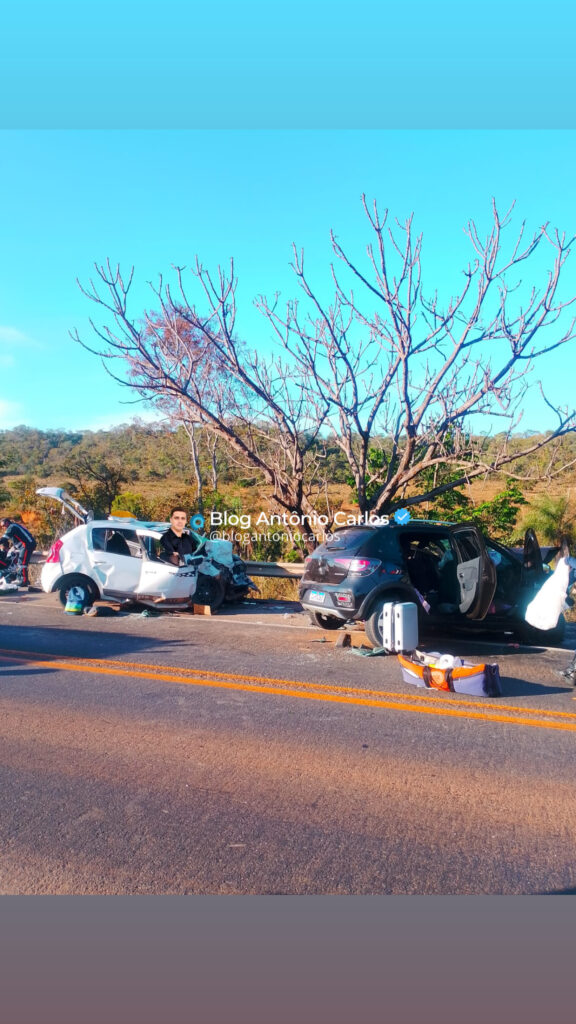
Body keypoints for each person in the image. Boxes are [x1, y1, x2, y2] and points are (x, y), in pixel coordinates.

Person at [0, 516, 37, 587]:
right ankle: (21, 579)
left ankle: (24, 581)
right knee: (20, 562)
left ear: (7, 523)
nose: (3, 528)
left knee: (22, 563)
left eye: (3, 526)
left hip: (27, 545)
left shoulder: (12, 527)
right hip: (25, 544)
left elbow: (4, 539)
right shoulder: (15, 526)